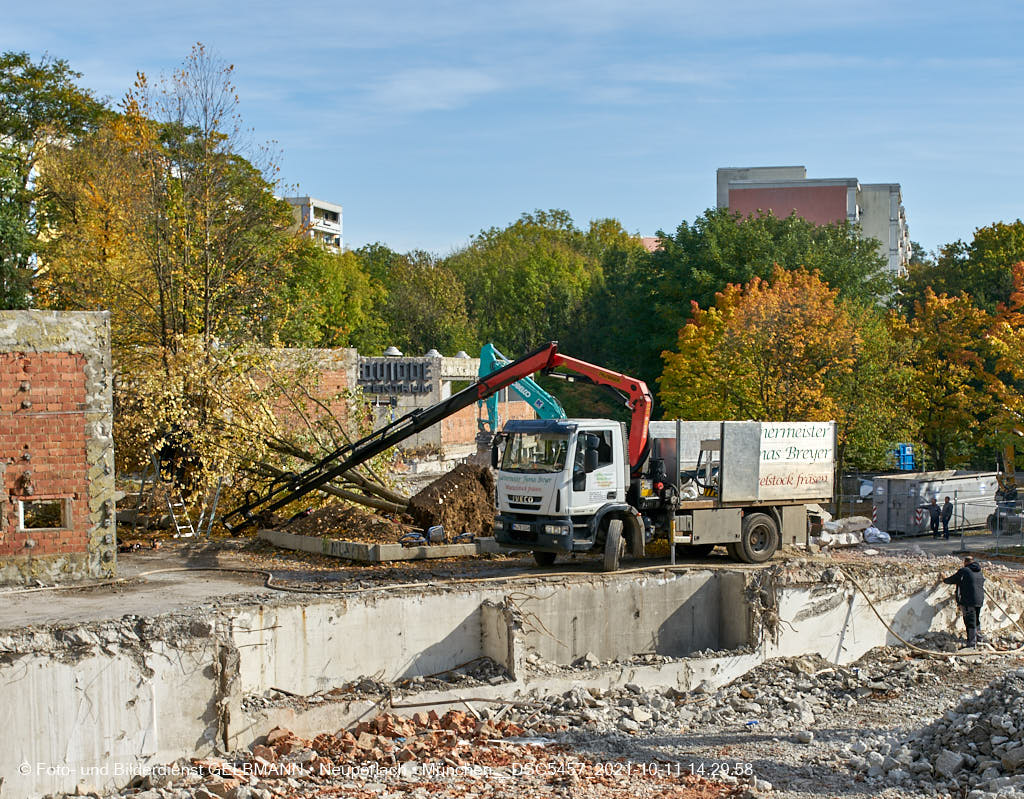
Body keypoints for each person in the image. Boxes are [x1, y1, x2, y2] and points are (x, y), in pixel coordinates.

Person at [942, 555, 985, 648]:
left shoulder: (964, 571)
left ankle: (971, 643)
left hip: (968, 600)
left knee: (970, 620)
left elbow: (953, 579)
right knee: (976, 619)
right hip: (979, 599)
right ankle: (979, 638)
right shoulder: (979, 571)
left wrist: (944, 579)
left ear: (965, 562)